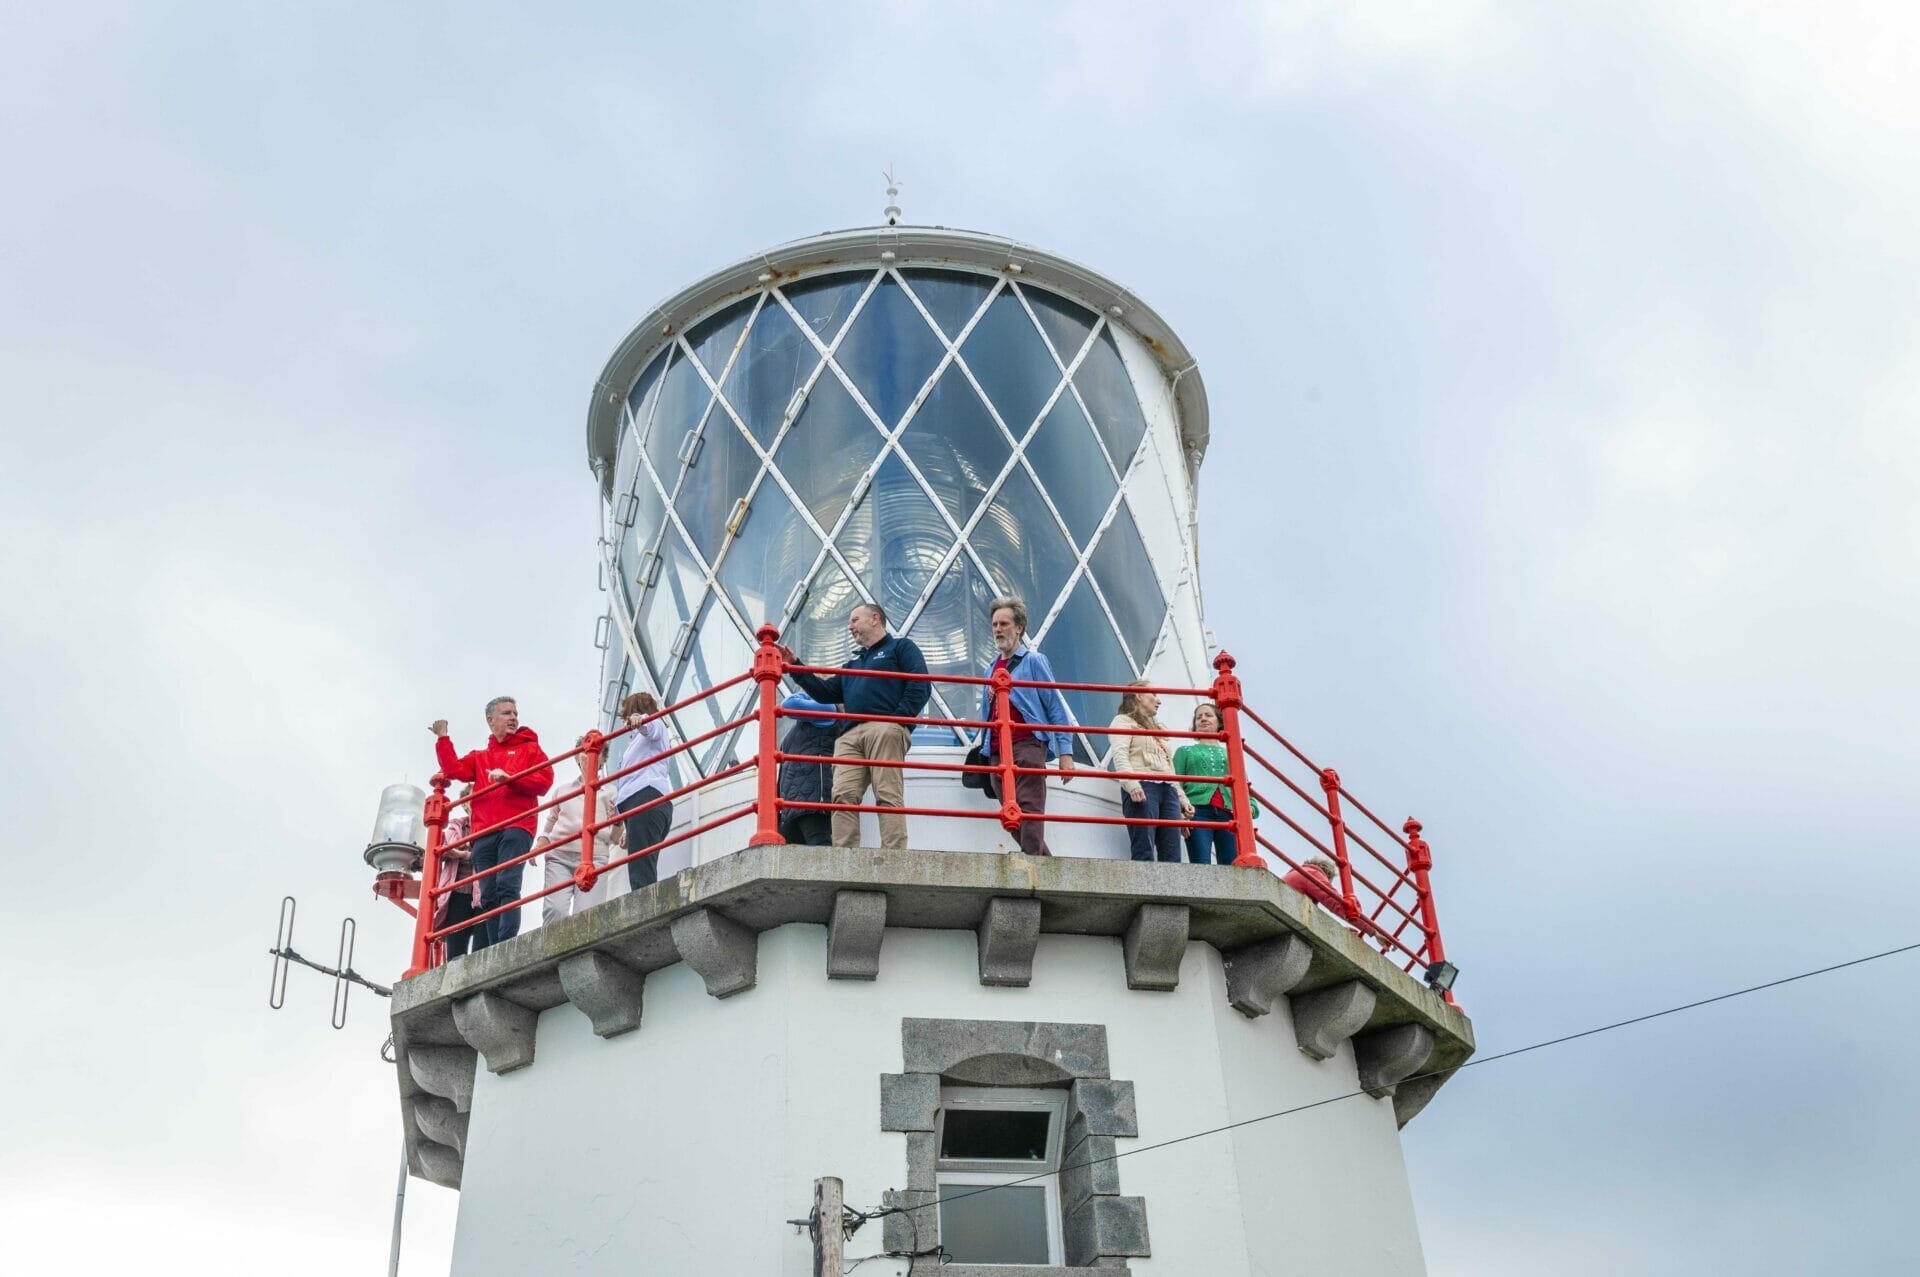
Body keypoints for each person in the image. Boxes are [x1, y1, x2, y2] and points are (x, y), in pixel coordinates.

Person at [780, 603, 930, 850]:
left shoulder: (901, 648)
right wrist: (796, 665)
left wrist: (896, 720)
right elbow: (825, 692)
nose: (849, 627)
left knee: (887, 793)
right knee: (842, 796)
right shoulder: (853, 666)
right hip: (849, 736)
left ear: (874, 618)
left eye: (854, 620)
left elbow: (920, 685)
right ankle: (844, 855)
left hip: (885, 727)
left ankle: (894, 854)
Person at [432, 697, 554, 950]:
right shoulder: (481, 757)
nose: (513, 718)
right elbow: (454, 769)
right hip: (483, 832)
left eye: (515, 713)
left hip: (516, 826)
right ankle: (494, 947)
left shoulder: (530, 749)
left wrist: (512, 779)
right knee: (487, 893)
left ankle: (505, 944)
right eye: (507, 713)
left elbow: (544, 781)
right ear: (491, 720)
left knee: (507, 884)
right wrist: (443, 737)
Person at [975, 596, 1075, 856]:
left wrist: (1066, 753)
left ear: (1019, 627)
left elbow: (1054, 705)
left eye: (1004, 623)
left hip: (1028, 742)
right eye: (995, 624)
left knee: (1029, 805)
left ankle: (1033, 863)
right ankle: (1042, 861)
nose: (998, 629)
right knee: (1010, 810)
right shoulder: (989, 668)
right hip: (996, 749)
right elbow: (986, 714)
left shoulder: (1034, 661)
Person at [532, 735, 624, 927]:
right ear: (576, 757)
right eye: (584, 751)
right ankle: (553, 954)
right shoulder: (563, 791)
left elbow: (615, 838)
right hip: (560, 856)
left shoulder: (611, 792)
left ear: (603, 760)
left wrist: (617, 820)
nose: (588, 756)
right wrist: (539, 846)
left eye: (596, 752)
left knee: (587, 917)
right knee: (554, 911)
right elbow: (550, 824)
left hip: (595, 857)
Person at [1109, 681, 1192, 863]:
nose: (1159, 701)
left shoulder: (1158, 730)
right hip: (1143, 785)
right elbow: (1120, 754)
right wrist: (1131, 784)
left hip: (1168, 790)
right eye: (1153, 694)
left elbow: (1169, 768)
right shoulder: (1122, 721)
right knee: (1143, 847)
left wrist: (1183, 801)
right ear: (1138, 695)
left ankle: (1170, 891)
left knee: (1172, 852)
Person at [1171, 701, 1257, 865]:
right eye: (1198, 717)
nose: (1203, 719)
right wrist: (1179, 814)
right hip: (1197, 813)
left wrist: (1250, 808)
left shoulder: (1232, 753)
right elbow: (1175, 784)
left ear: (1219, 722)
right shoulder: (1184, 752)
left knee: (1231, 867)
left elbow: (1245, 789)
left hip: (1229, 816)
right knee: (1201, 865)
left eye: (1208, 715)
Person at [614, 691, 674, 890]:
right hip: (647, 803)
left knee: (641, 873)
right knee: (643, 866)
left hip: (646, 800)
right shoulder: (640, 742)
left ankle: (648, 915)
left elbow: (653, 726)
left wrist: (641, 720)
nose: (625, 722)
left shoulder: (652, 726)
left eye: (626, 715)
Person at [776, 693, 838, 846]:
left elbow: (788, 705)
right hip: (792, 804)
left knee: (819, 844)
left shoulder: (828, 708)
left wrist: (808, 690)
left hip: (813, 799)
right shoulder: (801, 726)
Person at [434, 786, 481, 959]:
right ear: (464, 805)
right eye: (468, 800)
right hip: (458, 892)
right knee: (455, 950)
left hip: (482, 891)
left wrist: (462, 853)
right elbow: (446, 849)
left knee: (482, 948)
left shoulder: (490, 823)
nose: (473, 803)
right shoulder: (456, 827)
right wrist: (468, 853)